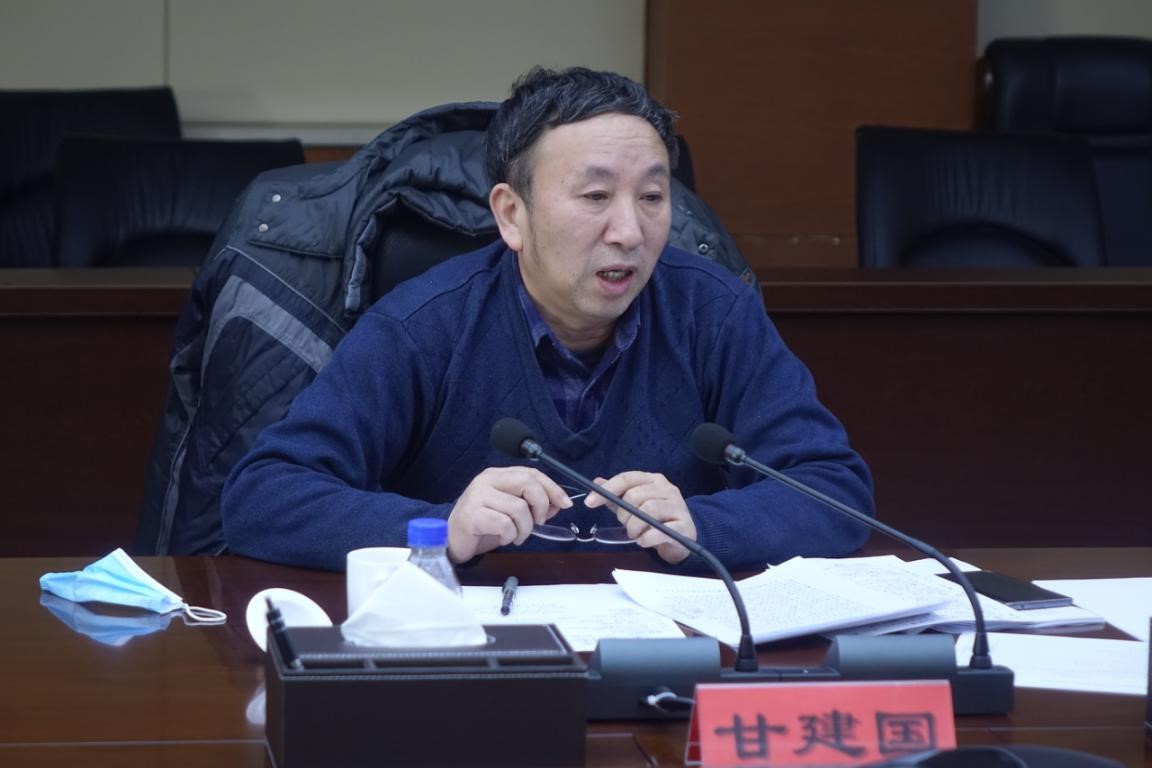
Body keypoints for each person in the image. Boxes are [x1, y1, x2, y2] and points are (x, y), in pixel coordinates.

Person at [221, 66, 874, 572]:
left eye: (652, 196)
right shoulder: (424, 325)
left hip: (666, 654)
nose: (630, 231)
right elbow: (263, 496)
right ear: (512, 214)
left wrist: (706, 528)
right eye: (595, 196)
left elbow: (834, 489)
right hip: (482, 658)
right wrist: (442, 530)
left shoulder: (714, 312)